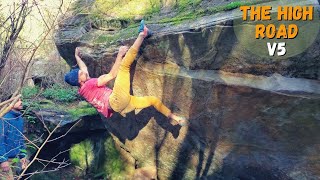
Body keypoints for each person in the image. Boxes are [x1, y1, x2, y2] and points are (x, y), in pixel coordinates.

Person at [64, 20, 187, 126]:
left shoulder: (83, 89)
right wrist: (119, 54)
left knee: (153, 101)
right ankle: (143, 34)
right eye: (81, 74)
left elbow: (84, 68)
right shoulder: (90, 83)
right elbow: (112, 75)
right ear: (80, 80)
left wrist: (77, 57)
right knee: (124, 67)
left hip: (121, 107)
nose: (83, 72)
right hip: (116, 100)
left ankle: (176, 118)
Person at [0, 97, 28, 180]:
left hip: (14, 159)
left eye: (21, 100)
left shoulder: (20, 119)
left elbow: (20, 139)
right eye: (17, 100)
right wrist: (2, 159)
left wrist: (23, 155)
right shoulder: (4, 118)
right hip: (5, 160)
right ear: (9, 104)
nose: (21, 102)